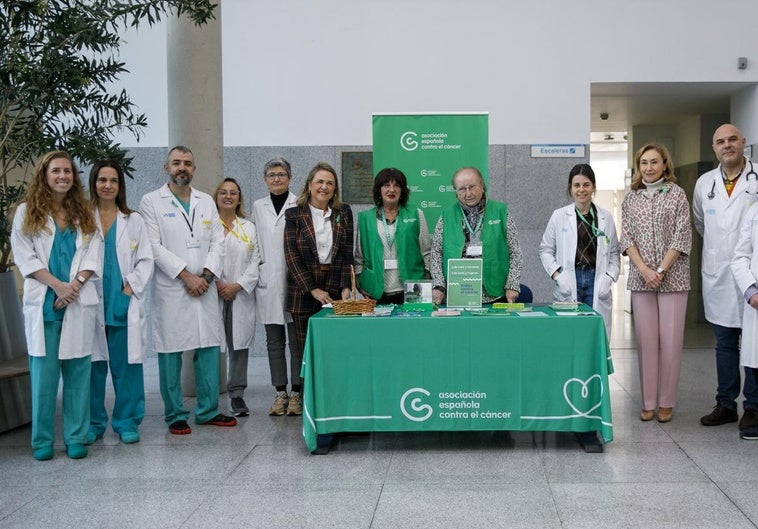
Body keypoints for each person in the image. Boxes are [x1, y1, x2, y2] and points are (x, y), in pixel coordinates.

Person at [11, 151, 102, 460]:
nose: (63, 176)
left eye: (68, 171)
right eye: (56, 171)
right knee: (44, 380)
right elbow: (25, 256)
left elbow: (93, 252)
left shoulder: (85, 212)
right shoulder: (27, 212)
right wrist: (58, 286)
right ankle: (42, 442)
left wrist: (74, 286)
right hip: (46, 305)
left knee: (78, 376)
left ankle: (76, 437)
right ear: (44, 175)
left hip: (77, 302)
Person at [139, 145, 237, 434]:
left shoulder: (205, 201)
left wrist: (205, 277)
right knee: (170, 350)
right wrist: (186, 276)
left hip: (204, 286)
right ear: (166, 167)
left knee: (208, 347)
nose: (182, 167)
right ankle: (175, 414)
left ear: (194, 169)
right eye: (177, 163)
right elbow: (153, 246)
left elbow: (218, 242)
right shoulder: (151, 202)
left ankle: (208, 410)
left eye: (188, 163)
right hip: (172, 287)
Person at [693, 123, 758, 433]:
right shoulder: (705, 184)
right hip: (718, 273)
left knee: (755, 343)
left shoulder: (756, 178)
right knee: (724, 344)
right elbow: (700, 222)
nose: (727, 145)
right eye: (720, 141)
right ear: (714, 148)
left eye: (732, 139)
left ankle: (754, 406)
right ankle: (726, 404)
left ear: (743, 142)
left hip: (753, 275)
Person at [620, 143, 691, 423]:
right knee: (646, 342)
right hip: (641, 279)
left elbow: (682, 235)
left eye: (654, 162)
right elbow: (626, 238)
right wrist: (644, 270)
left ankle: (666, 402)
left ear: (664, 165)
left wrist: (660, 269)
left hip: (673, 278)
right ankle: (648, 401)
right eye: (644, 163)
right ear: (638, 167)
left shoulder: (677, 195)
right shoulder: (631, 198)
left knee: (671, 342)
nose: (648, 168)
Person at [87, 160, 154, 445]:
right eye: (102, 180)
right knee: (91, 367)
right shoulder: (82, 218)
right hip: (89, 302)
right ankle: (92, 423)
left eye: (113, 181)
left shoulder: (133, 220)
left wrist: (128, 292)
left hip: (123, 303)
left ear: (120, 186)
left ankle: (127, 421)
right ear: (94, 183)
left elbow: (146, 260)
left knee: (127, 366)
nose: (107, 185)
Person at [283, 162, 354, 415]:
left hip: (335, 289)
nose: (324, 187)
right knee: (304, 349)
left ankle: (333, 398)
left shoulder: (343, 212)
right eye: (320, 182)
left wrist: (346, 288)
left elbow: (347, 254)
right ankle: (305, 397)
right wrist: (313, 290)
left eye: (330, 183)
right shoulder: (294, 215)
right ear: (310, 185)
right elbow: (291, 256)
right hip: (303, 292)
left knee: (335, 348)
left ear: (335, 189)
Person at [539, 163, 620, 337]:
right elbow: (545, 250)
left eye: (586, 185)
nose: (581, 190)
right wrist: (558, 275)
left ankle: (593, 365)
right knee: (570, 334)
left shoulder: (606, 218)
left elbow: (614, 254)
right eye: (577, 185)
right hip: (569, 277)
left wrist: (609, 278)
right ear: (570, 188)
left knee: (594, 334)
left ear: (593, 187)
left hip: (596, 279)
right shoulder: (559, 216)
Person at [430, 166, 522, 305]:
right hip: (457, 294)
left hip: (494, 294)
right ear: (456, 192)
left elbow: (515, 251)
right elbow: (436, 252)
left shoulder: (501, 212)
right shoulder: (447, 215)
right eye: (462, 189)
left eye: (472, 187)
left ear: (482, 185)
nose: (468, 193)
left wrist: (512, 285)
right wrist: (439, 285)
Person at [251, 157, 298, 416]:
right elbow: (255, 242)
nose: (276, 179)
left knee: (296, 341)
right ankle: (280, 391)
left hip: (294, 282)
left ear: (290, 178)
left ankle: (297, 393)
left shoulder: (299, 203)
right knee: (274, 341)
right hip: (268, 280)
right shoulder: (258, 206)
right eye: (271, 175)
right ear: (265, 179)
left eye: (281, 174)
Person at [214, 177, 260, 417]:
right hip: (212, 293)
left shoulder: (248, 228)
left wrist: (237, 285)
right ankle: (210, 394)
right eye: (223, 192)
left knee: (238, 346)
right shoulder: (207, 226)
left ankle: (237, 395)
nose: (228, 196)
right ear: (216, 197)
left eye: (233, 192)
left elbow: (256, 262)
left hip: (239, 294)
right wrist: (218, 283)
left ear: (239, 198)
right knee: (211, 345)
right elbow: (203, 257)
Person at [355, 167, 431, 304]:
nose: (392, 190)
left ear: (402, 191)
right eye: (386, 185)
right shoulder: (365, 218)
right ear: (379, 190)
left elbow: (426, 252)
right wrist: (359, 283)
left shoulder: (416, 213)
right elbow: (359, 257)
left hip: (412, 289)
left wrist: (427, 282)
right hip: (375, 291)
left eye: (397, 185)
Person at [731, 201, 758, 439]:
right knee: (755, 359)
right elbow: (740, 257)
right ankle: (753, 409)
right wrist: (750, 291)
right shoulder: (754, 211)